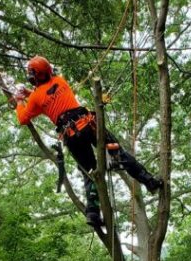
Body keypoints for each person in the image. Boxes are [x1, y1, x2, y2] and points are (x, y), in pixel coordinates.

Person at [13, 56, 162, 228]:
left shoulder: (35, 97)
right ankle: (149, 180)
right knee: (118, 153)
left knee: (90, 172)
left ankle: (93, 213)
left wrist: (19, 99)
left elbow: (25, 116)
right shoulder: (60, 81)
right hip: (87, 124)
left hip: (71, 135)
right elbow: (48, 95)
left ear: (35, 76)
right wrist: (28, 94)